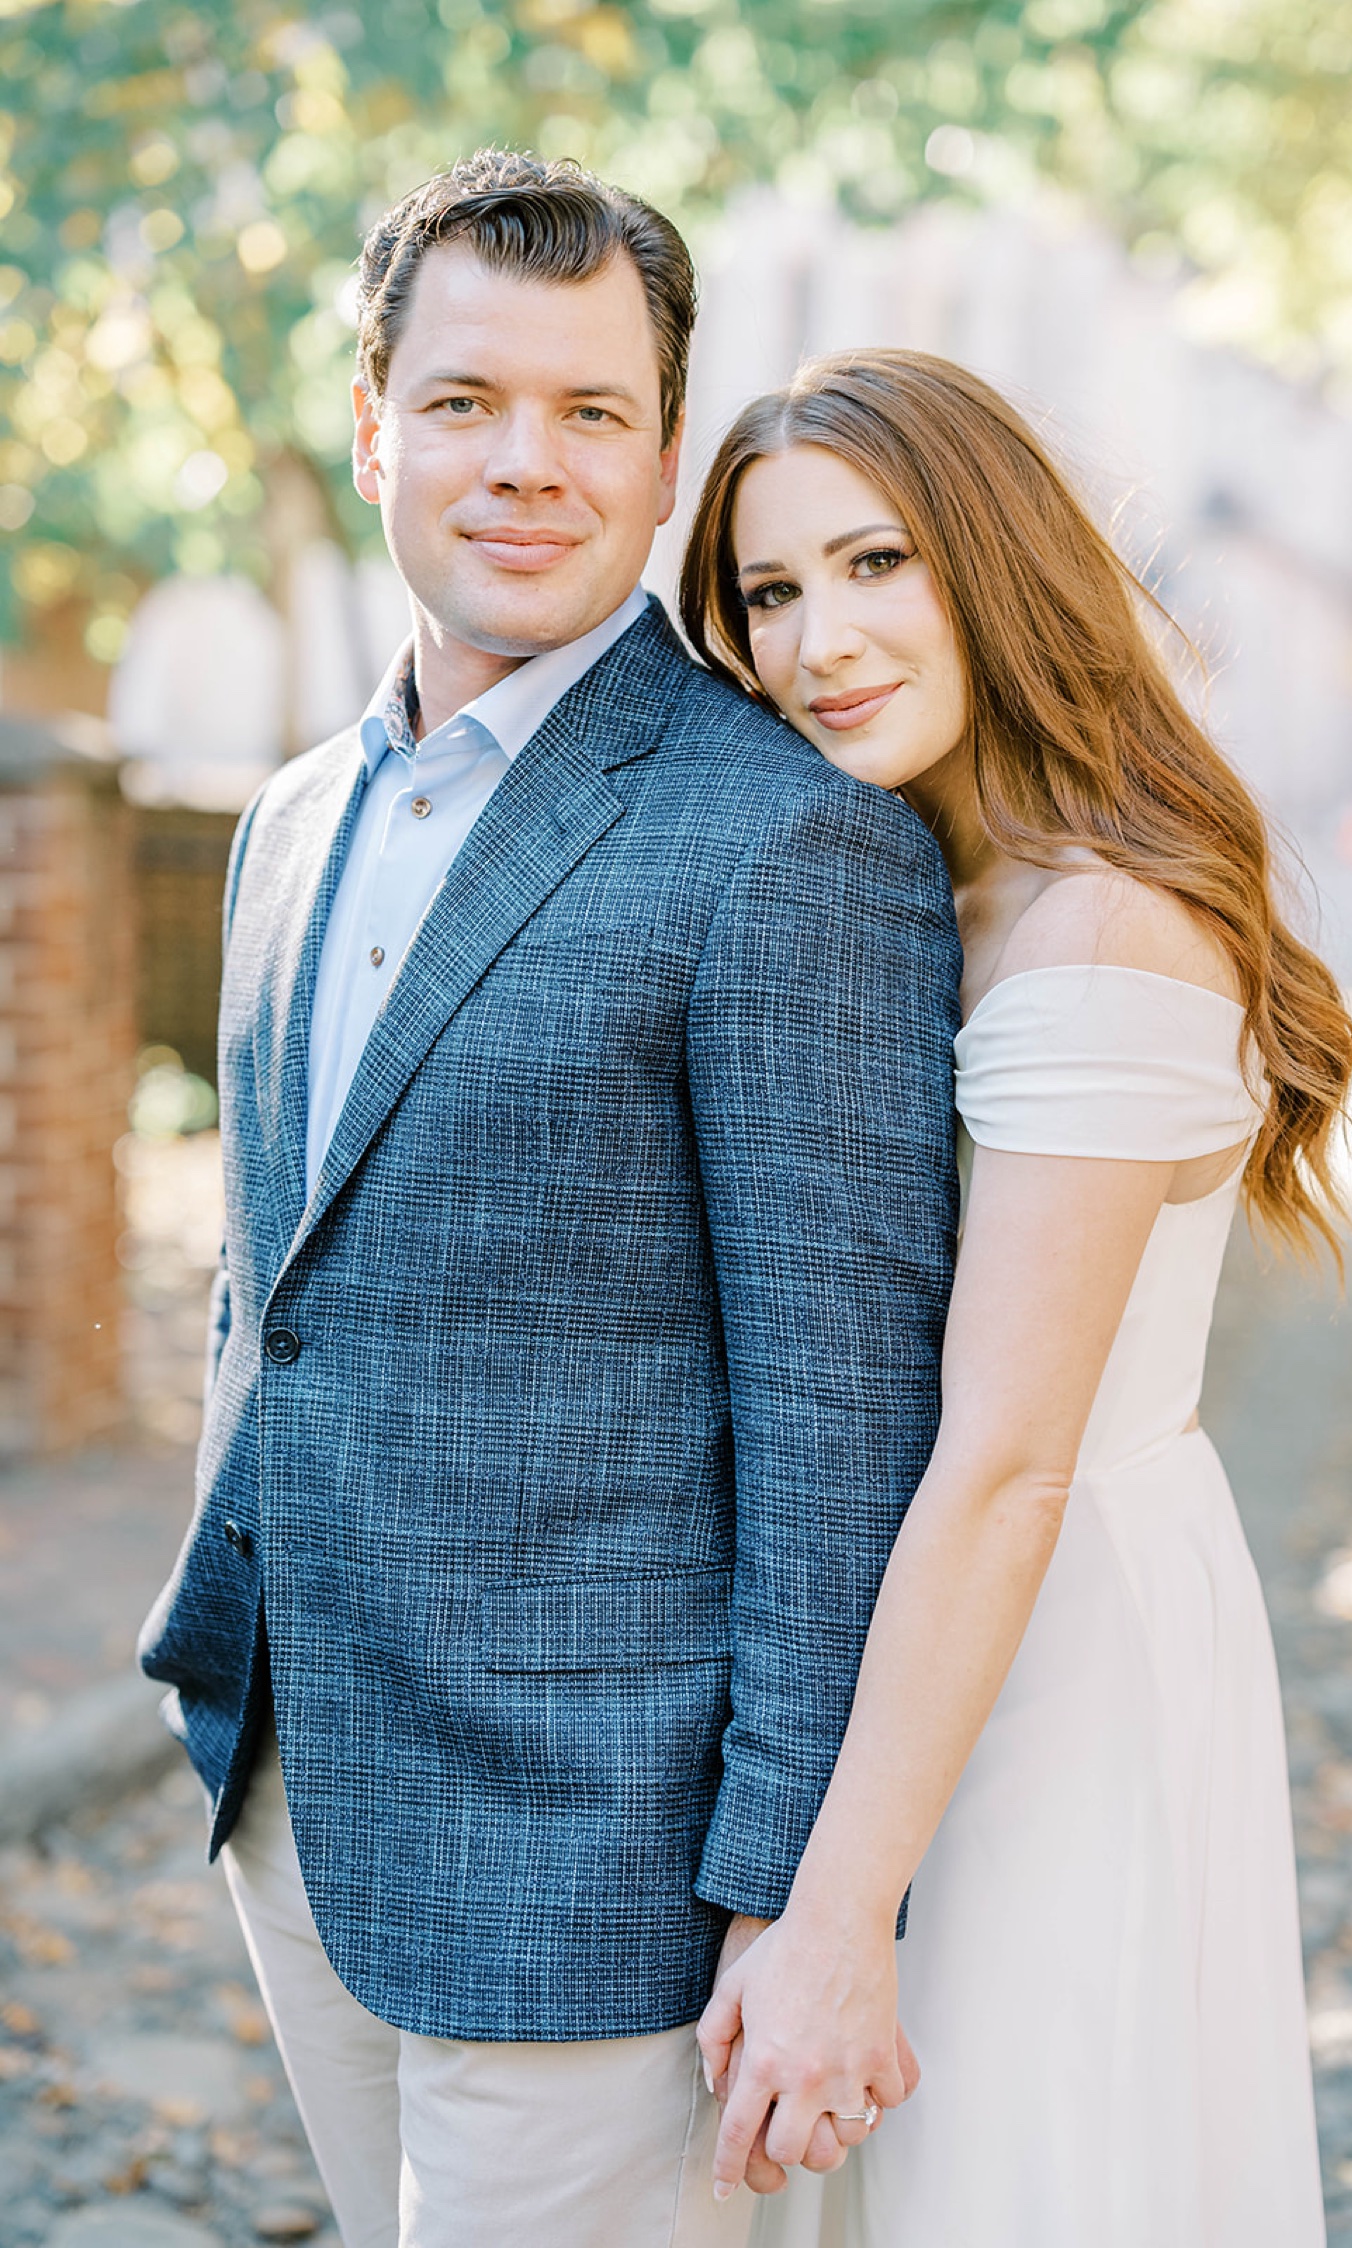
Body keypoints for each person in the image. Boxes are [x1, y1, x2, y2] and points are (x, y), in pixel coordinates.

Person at [137, 160, 959, 2248]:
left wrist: (797, 1893)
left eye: (593, 413)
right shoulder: (293, 816)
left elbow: (839, 1431)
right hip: (292, 1781)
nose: (527, 462)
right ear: (370, 422)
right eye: (468, 400)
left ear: (669, 456)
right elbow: (277, 1286)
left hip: (603, 1864)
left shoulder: (785, 846)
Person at [678, 348, 1352, 2247]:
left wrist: (829, 1924)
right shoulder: (921, 883)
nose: (823, 639)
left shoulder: (1099, 932)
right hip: (941, 1631)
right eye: (774, 594)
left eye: (878, 562)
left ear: (994, 562)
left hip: (1047, 1645)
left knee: (1027, 2166)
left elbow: (1006, 1468)